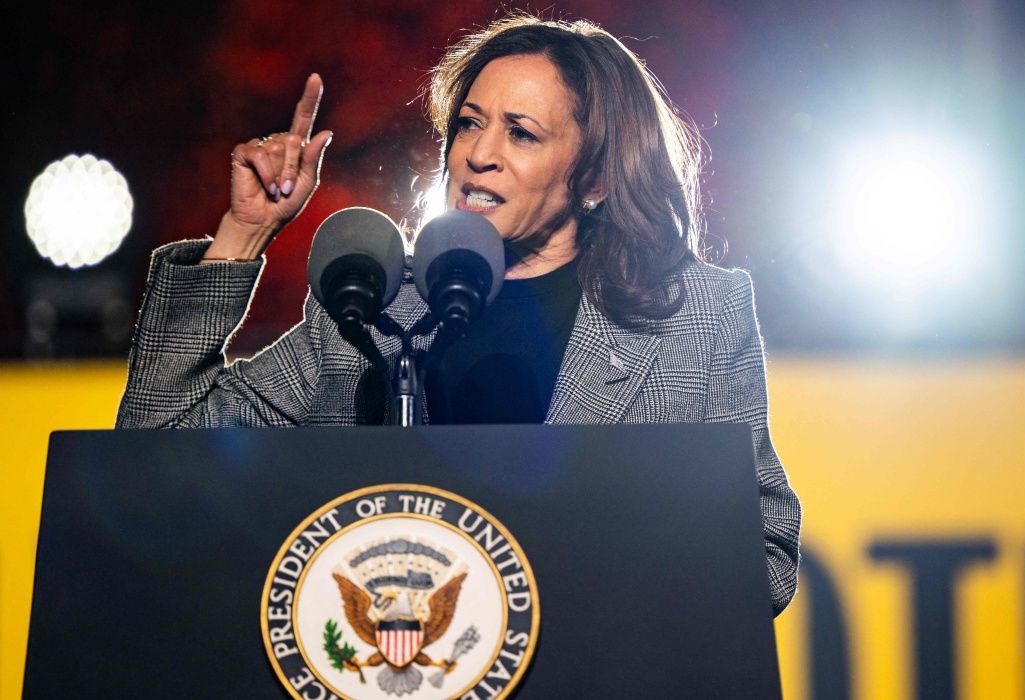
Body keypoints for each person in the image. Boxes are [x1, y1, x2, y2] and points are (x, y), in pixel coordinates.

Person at [116, 15, 800, 614]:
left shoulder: (696, 316)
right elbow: (156, 458)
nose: (478, 154)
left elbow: (764, 558)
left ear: (594, 177)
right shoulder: (371, 301)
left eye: (521, 134)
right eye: (470, 123)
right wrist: (244, 232)